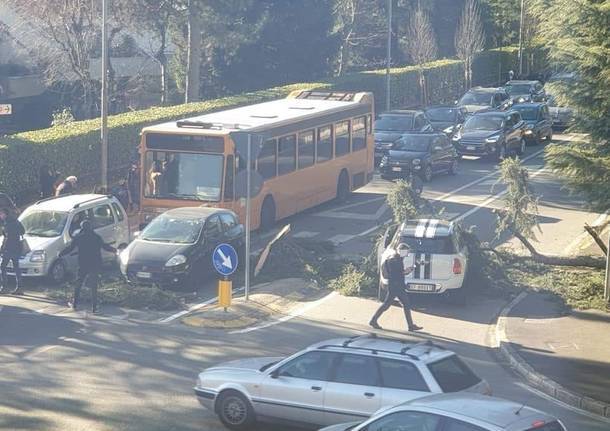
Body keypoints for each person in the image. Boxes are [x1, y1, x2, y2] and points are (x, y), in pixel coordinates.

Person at [59, 219, 116, 313]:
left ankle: (75, 303)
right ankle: (94, 306)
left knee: (79, 283)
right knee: (94, 285)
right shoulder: (96, 237)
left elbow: (70, 248)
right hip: (95, 263)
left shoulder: (79, 237)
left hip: (83, 263)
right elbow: (105, 246)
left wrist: (61, 254)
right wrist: (115, 250)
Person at [369, 244, 422, 332]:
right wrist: (406, 271)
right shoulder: (395, 260)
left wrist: (406, 271)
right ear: (401, 251)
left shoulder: (396, 258)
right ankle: (373, 320)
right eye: (406, 251)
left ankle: (410, 325)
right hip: (396, 286)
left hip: (396, 285)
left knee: (400, 304)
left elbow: (398, 272)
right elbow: (398, 273)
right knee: (390, 304)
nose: (407, 254)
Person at [0, 210, 25, 295]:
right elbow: (23, 231)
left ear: (5, 214)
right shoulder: (16, 221)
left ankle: (4, 287)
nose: (0, 216)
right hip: (17, 247)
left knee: (3, 266)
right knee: (16, 267)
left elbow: (6, 237)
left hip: (9, 248)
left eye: (1, 214)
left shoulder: (7, 224)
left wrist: (2, 249)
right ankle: (19, 288)